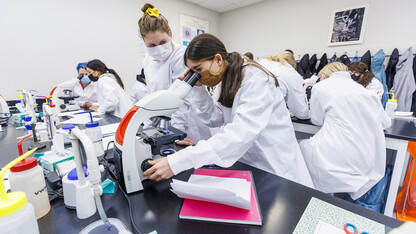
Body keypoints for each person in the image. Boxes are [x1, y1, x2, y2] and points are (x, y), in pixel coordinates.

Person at [143, 33, 313, 188]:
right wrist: (197, 88)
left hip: (275, 165)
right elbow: (215, 119)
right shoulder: (226, 79)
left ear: (218, 59)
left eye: (198, 70)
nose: (197, 75)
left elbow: (239, 133)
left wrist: (178, 162)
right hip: (249, 162)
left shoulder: (255, 78)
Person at [299, 62, 391, 200]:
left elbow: (317, 120)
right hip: (364, 158)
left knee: (300, 148)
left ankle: (310, 199)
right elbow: (386, 122)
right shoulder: (366, 92)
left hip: (332, 153)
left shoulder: (320, 87)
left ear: (324, 76)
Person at [138, 3, 211, 145]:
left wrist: (176, 133)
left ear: (170, 34)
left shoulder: (181, 55)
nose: (158, 48)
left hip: (188, 124)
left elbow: (183, 98)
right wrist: (147, 128)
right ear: (144, 43)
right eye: (151, 45)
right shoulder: (147, 60)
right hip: (164, 124)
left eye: (163, 42)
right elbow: (151, 94)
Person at [260, 52, 310, 119]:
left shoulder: (261, 63)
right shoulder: (292, 74)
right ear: (293, 64)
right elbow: (300, 111)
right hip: (269, 119)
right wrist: (308, 115)